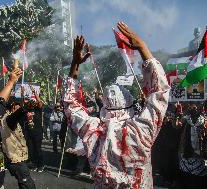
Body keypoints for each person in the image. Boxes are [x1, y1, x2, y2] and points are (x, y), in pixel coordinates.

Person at [63, 22, 170, 188]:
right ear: (130, 105)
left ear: (104, 106)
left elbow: (70, 105)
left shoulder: (93, 129)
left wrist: (75, 64)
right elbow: (160, 91)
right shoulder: (141, 129)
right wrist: (142, 47)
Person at [0, 93, 36, 189]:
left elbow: (28, 131)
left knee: (22, 183)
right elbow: (15, 116)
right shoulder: (9, 119)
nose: (19, 107)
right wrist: (24, 108)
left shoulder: (13, 119)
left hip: (18, 156)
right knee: (28, 184)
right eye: (17, 106)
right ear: (12, 107)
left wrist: (29, 120)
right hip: (15, 159)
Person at [175, 103, 207, 189]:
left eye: (196, 108)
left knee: (198, 180)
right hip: (186, 153)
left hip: (199, 155)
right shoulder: (186, 119)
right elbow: (176, 125)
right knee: (186, 178)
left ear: (199, 111)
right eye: (192, 109)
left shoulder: (204, 121)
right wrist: (177, 115)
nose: (194, 110)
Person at [22, 86, 45, 172]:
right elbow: (23, 102)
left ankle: (41, 165)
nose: (31, 103)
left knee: (38, 149)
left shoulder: (38, 109)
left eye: (33, 102)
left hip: (37, 132)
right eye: (30, 102)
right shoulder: (26, 110)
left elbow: (40, 102)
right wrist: (22, 93)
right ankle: (34, 164)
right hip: (29, 132)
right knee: (31, 150)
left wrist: (34, 92)